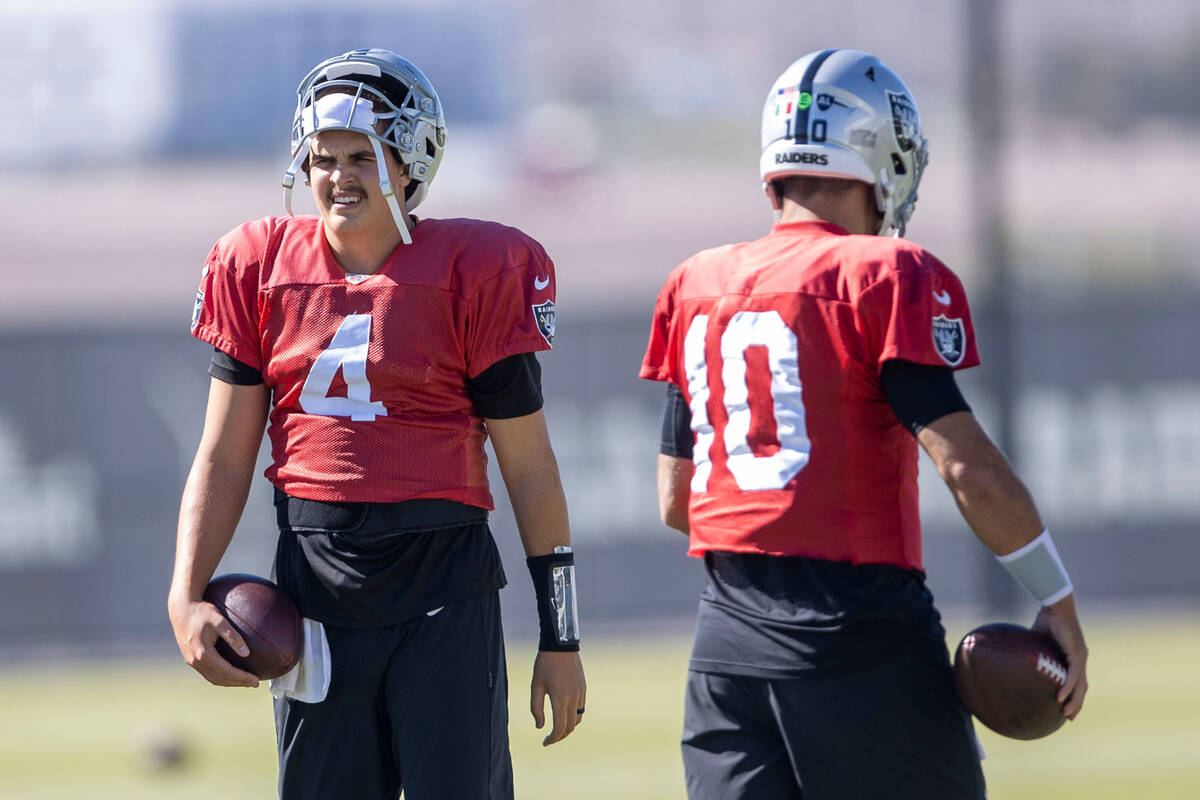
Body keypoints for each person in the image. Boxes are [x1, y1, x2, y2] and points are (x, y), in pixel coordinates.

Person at [639, 48, 1088, 800]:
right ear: (881, 155)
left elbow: (678, 502)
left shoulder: (696, 283)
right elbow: (966, 468)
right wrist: (1059, 600)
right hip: (857, 635)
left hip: (724, 651)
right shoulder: (883, 274)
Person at [167, 48, 586, 800]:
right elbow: (225, 456)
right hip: (315, 592)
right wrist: (185, 593)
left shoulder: (476, 270)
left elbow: (529, 467)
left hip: (443, 592)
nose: (339, 175)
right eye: (323, 157)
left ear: (411, 162)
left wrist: (560, 635)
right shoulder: (258, 264)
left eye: (362, 155)